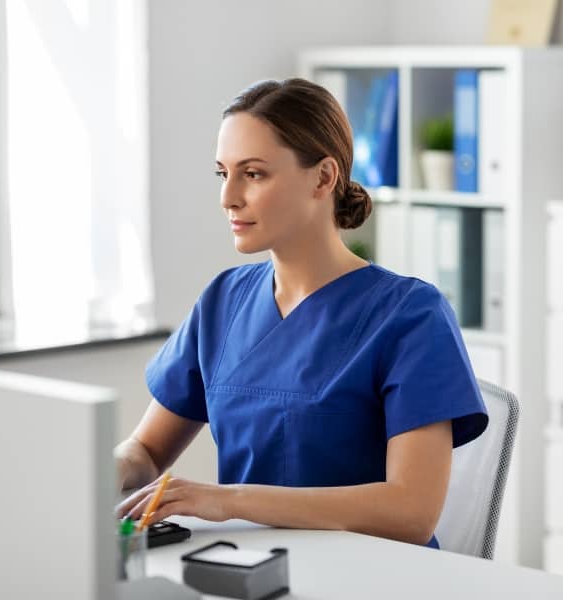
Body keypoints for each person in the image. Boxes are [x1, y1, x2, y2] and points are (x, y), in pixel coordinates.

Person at [115, 78, 488, 548]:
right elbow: (147, 450)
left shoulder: (411, 315)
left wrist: (228, 501)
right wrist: (104, 472)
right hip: (249, 568)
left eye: (252, 174)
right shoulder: (223, 302)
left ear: (324, 177)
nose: (228, 197)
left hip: (376, 579)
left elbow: (411, 512)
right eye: (222, 173)